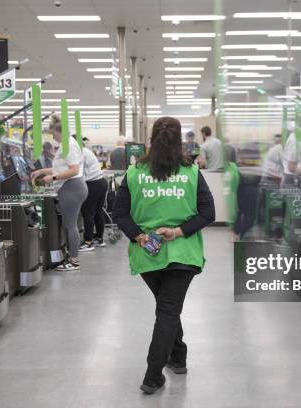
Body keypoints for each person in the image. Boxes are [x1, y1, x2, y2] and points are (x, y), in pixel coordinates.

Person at [113, 116, 215, 395]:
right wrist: (179, 231)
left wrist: (140, 235)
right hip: (184, 253)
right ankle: (167, 365)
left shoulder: (134, 173)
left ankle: (162, 368)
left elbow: (119, 212)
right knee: (168, 309)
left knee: (167, 308)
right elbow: (208, 213)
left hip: (148, 254)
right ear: (180, 139)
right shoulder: (191, 171)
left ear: (151, 138)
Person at [30, 115, 88, 271]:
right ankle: (71, 258)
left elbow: (73, 170)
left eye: (54, 134)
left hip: (72, 188)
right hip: (72, 187)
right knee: (70, 225)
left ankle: (74, 261)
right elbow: (63, 167)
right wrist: (42, 171)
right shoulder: (67, 145)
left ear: (60, 132)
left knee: (70, 226)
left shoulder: (69, 145)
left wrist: (52, 177)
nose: (53, 137)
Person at [79, 137, 108, 251]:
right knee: (97, 212)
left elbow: (77, 172)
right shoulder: (87, 151)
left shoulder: (80, 153)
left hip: (92, 184)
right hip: (101, 182)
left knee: (88, 213)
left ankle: (88, 242)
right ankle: (99, 239)